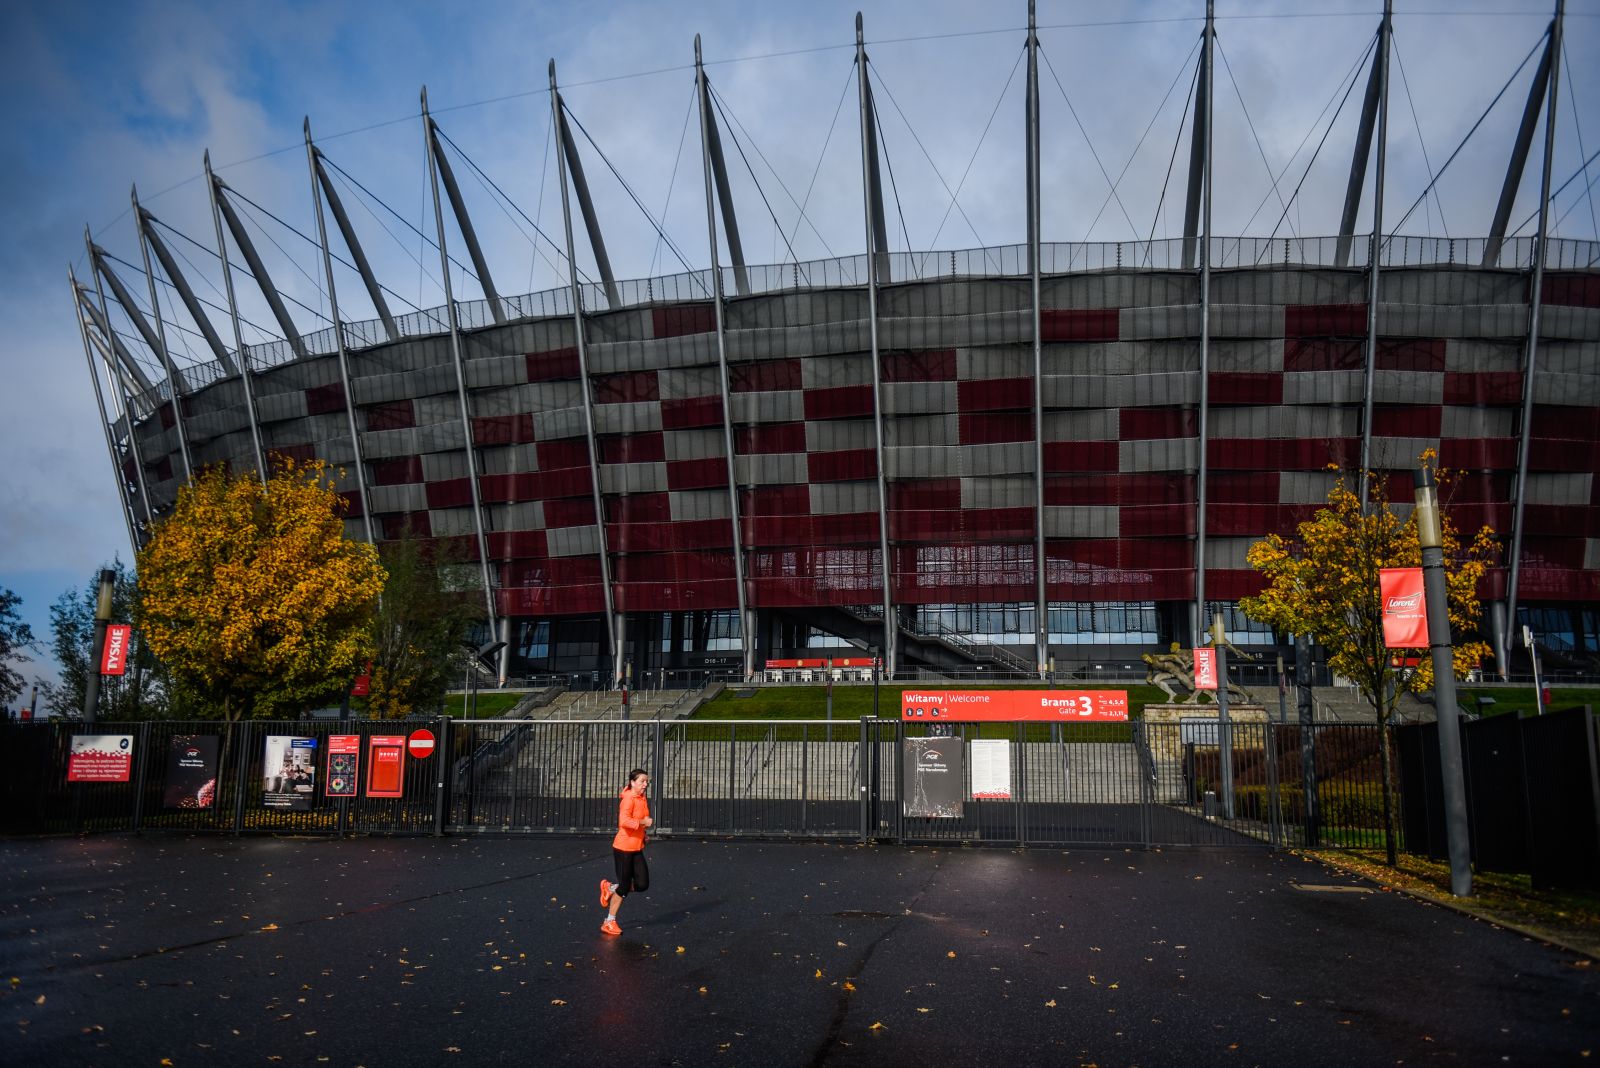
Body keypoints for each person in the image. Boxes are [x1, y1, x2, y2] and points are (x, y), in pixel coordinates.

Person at [599, 768, 652, 936]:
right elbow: (624, 821)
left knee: (642, 884)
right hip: (623, 849)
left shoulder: (641, 798)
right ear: (632, 782)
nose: (646, 784)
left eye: (646, 781)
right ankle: (609, 921)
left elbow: (638, 822)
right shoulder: (629, 798)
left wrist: (644, 834)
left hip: (636, 847)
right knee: (624, 888)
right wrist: (643, 822)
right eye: (642, 781)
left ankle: (610, 887)